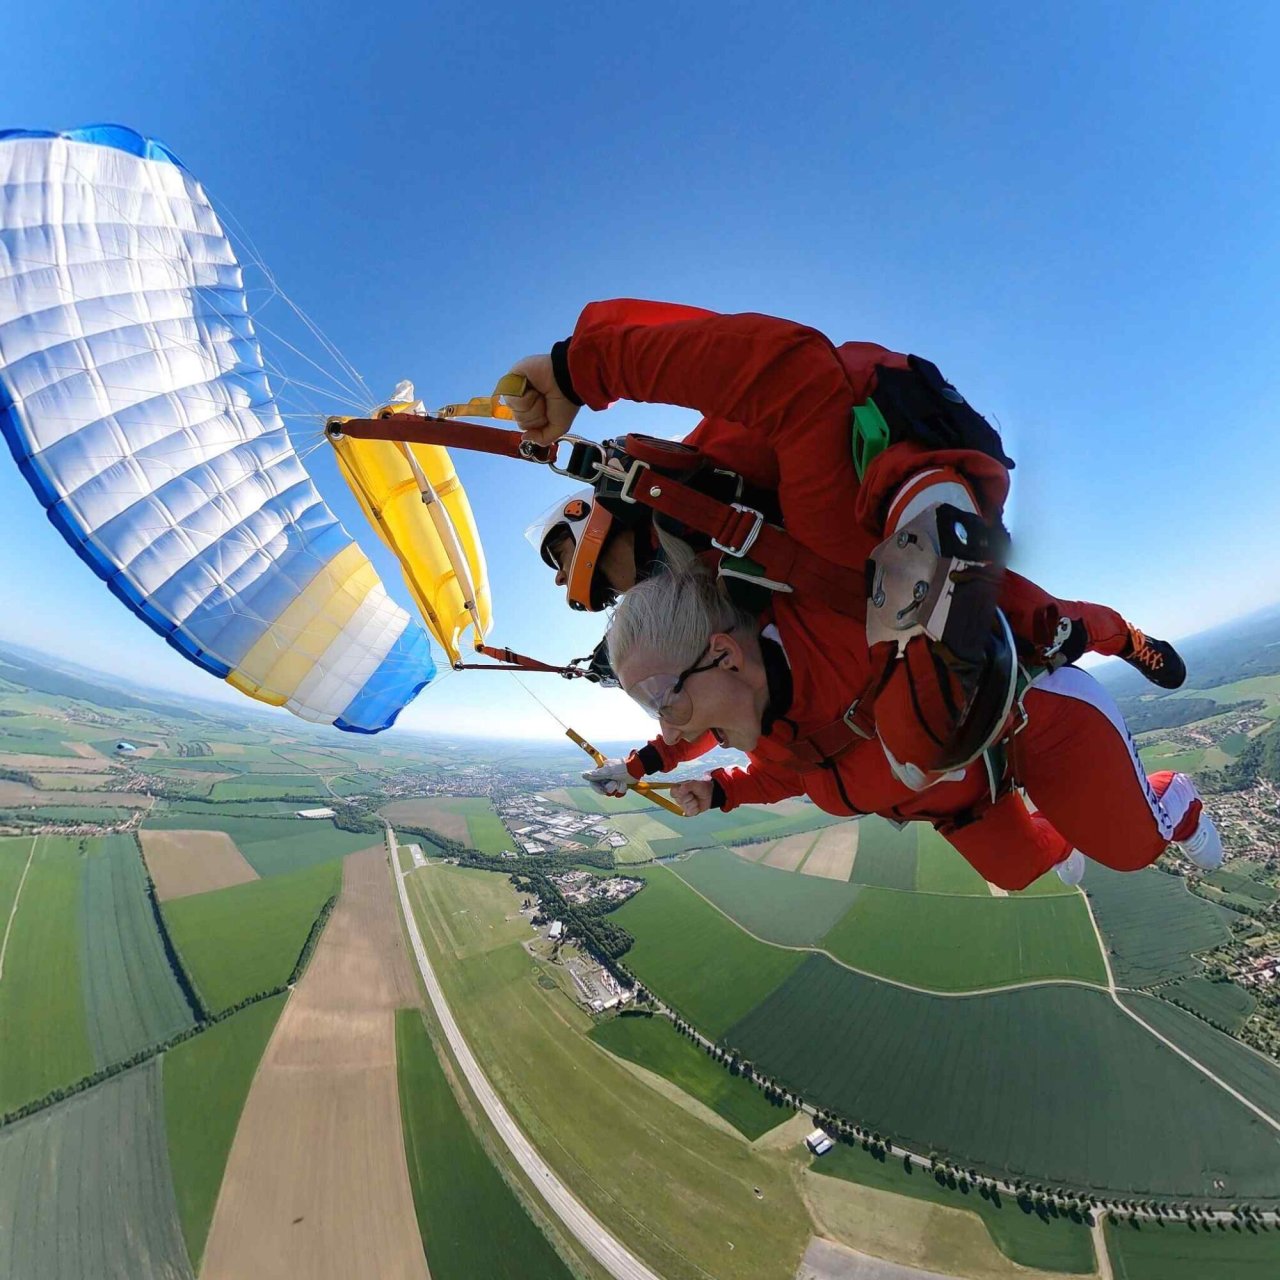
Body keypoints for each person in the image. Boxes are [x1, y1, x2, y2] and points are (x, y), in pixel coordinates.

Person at [512, 300, 1189, 839]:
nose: (617, 596)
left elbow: (791, 375)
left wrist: (581, 372)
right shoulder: (737, 622)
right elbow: (716, 709)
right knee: (1012, 854)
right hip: (924, 766)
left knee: (1045, 627)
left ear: (603, 516)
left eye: (589, 575)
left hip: (901, 603)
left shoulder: (752, 524)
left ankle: (1122, 636)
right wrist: (649, 763)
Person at [604, 564, 1221, 889]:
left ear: (724, 656)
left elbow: (1027, 612)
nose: (669, 729)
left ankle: (1178, 801)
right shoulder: (765, 724)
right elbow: (793, 772)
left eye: (662, 700)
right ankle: (1067, 829)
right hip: (964, 797)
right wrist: (718, 791)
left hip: (1037, 718)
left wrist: (1123, 640)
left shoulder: (844, 632)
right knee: (1017, 869)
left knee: (1132, 851)